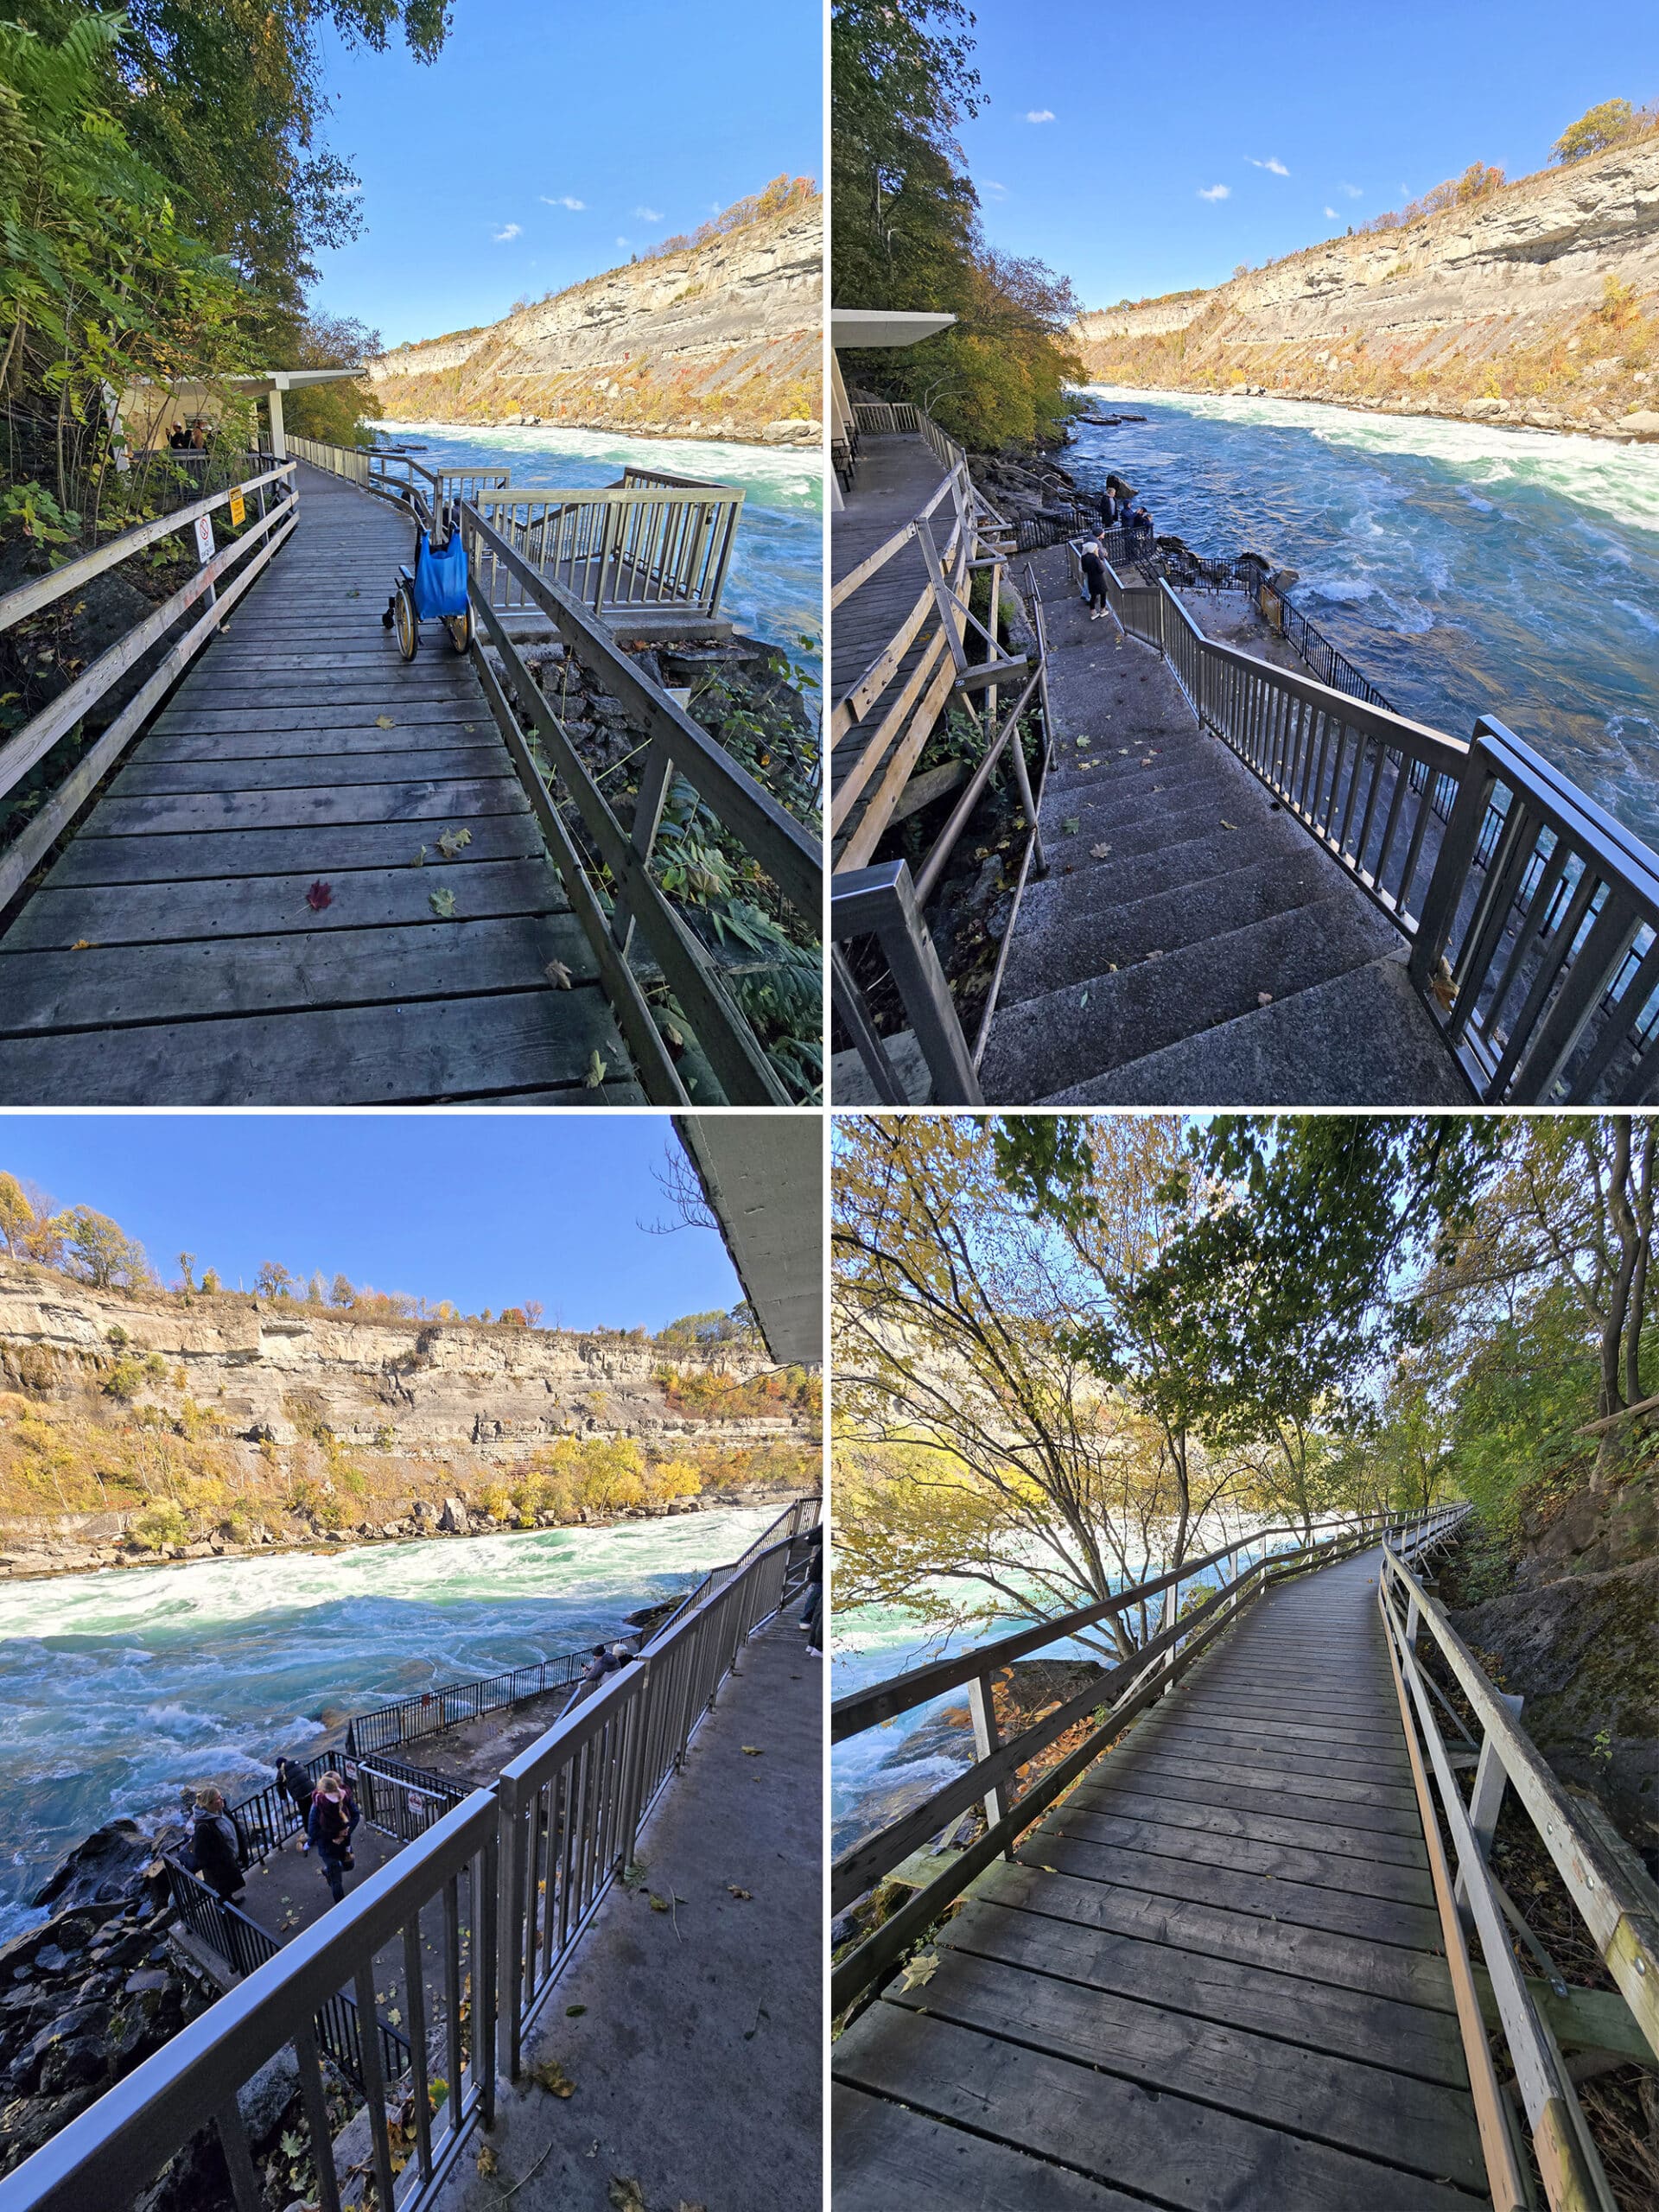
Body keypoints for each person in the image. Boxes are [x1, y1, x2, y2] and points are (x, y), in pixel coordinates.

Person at [306, 1770, 361, 1904]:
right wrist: (335, 1835)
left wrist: (346, 1832)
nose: (341, 1784)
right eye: (338, 1782)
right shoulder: (316, 1807)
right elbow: (313, 1831)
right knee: (337, 1881)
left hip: (343, 1844)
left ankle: (328, 1871)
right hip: (328, 1847)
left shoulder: (342, 1797)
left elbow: (355, 1814)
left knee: (349, 1865)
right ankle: (342, 1910)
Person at [183, 1787, 245, 1904]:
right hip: (220, 1866)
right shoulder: (203, 1827)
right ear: (209, 1803)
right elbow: (201, 1855)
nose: (222, 1799)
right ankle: (228, 1915)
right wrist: (219, 1861)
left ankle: (231, 1905)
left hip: (229, 1859)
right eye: (218, 1798)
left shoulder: (221, 1811)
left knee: (229, 1888)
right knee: (224, 1891)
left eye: (221, 1796)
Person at [276, 1756, 315, 1851]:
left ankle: (309, 1835)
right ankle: (319, 1828)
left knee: (305, 1814)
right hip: (311, 1788)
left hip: (301, 1795)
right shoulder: (296, 1762)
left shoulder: (281, 1773)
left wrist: (284, 1799)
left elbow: (280, 1788)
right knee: (313, 1810)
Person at [1080, 540, 1109, 620]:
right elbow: (1101, 570)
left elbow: (1084, 569)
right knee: (1103, 593)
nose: (1097, 549)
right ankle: (1103, 610)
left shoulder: (1084, 557)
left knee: (1093, 595)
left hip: (1091, 579)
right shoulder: (1095, 558)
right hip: (1099, 579)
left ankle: (1093, 612)